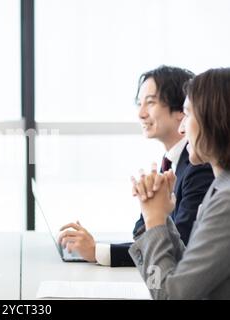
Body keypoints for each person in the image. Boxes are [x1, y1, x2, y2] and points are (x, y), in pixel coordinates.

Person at [58, 66, 214, 266]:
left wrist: (98, 251)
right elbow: (143, 232)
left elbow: (179, 249)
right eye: (139, 104)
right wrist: (151, 213)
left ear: (180, 111)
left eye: (150, 103)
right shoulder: (173, 160)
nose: (140, 114)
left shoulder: (200, 167)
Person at [130, 68, 230, 299]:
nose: (182, 128)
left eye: (188, 114)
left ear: (214, 119)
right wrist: (161, 216)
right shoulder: (220, 186)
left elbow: (168, 295)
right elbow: (187, 270)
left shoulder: (225, 200)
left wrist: (154, 222)